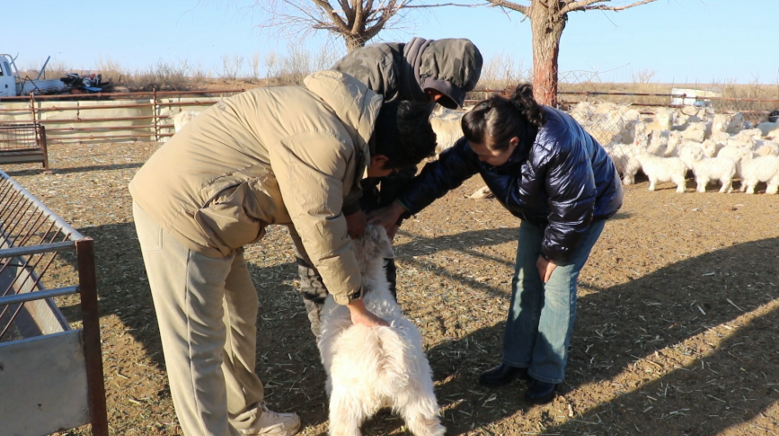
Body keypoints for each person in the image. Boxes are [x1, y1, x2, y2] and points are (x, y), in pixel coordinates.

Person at [129, 70, 437, 436]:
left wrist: (352, 202)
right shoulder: (322, 141)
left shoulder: (345, 113)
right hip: (182, 212)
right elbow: (319, 227)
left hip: (217, 212)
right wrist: (357, 307)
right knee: (197, 346)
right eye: (388, 171)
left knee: (240, 312)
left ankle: (247, 417)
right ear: (382, 157)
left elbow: (335, 175)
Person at [370, 84, 624, 405]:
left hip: (586, 208)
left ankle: (546, 372)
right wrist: (400, 207)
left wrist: (552, 254)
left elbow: (574, 207)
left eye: (484, 156)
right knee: (525, 280)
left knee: (556, 284)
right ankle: (515, 362)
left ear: (513, 143)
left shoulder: (557, 145)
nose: (478, 160)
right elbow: (445, 172)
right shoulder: (485, 139)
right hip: (539, 208)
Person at [293, 37, 484, 338]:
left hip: (369, 173)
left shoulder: (424, 91)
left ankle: (385, 338)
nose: (436, 102)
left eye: (445, 99)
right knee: (324, 259)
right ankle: (337, 349)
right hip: (326, 180)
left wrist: (395, 212)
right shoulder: (369, 71)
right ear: (426, 69)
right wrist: (351, 205)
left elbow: (405, 156)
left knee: (376, 255)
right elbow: (334, 149)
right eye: (437, 93)